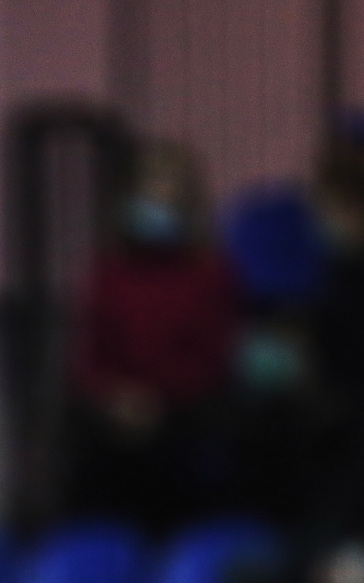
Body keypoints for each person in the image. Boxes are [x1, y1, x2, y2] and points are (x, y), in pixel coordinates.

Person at [67, 140, 237, 531]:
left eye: (168, 199)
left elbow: (211, 363)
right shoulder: (108, 274)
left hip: (182, 415)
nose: (156, 208)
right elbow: (91, 359)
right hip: (113, 416)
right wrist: (116, 396)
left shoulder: (210, 277)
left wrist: (153, 400)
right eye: (149, 195)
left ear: (187, 207)